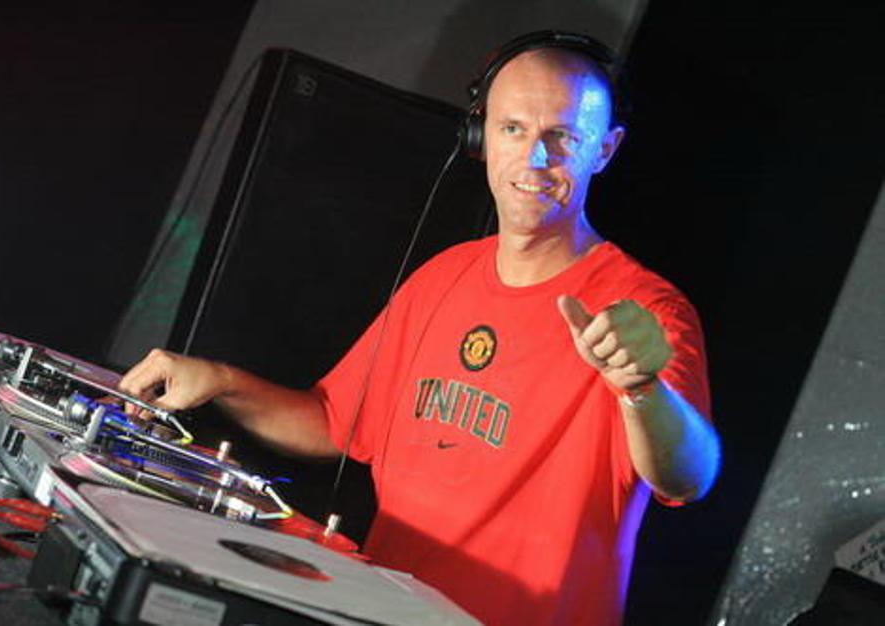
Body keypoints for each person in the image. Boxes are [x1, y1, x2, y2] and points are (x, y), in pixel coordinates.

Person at [120, 32, 720, 626]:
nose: (535, 158)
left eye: (562, 137)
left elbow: (689, 477)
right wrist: (221, 381)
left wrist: (642, 388)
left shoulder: (645, 310)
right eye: (513, 129)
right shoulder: (443, 277)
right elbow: (333, 421)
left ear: (606, 150)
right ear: (480, 136)